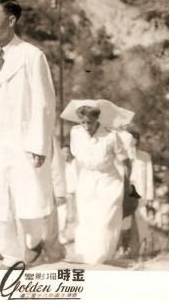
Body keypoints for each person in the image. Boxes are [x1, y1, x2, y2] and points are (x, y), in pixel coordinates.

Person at [0, 0, 57, 269]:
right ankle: (9, 256)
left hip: (23, 141)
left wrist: (39, 145)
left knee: (28, 198)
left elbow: (45, 104)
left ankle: (33, 243)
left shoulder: (32, 56)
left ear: (12, 20)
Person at [70, 105, 130, 264]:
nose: (86, 126)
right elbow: (76, 158)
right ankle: (89, 259)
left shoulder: (111, 136)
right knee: (86, 220)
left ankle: (102, 257)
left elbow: (125, 161)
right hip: (86, 180)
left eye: (89, 122)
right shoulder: (75, 133)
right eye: (82, 122)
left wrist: (128, 183)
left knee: (105, 221)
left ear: (97, 119)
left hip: (108, 181)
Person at [120, 130, 155, 258]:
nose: (132, 142)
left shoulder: (145, 157)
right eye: (130, 139)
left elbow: (149, 178)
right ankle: (125, 250)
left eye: (135, 139)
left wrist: (150, 197)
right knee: (125, 223)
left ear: (138, 141)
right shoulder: (121, 157)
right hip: (125, 194)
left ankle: (142, 251)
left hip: (140, 194)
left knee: (142, 223)